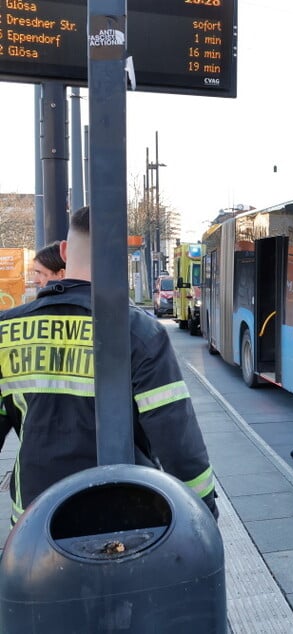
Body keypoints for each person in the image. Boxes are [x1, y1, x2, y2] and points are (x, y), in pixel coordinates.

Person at [0, 206, 218, 524]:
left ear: (63, 251)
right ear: (121, 257)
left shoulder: (6, 331)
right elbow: (176, 438)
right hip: (125, 516)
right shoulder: (138, 331)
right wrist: (204, 509)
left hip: (35, 519)